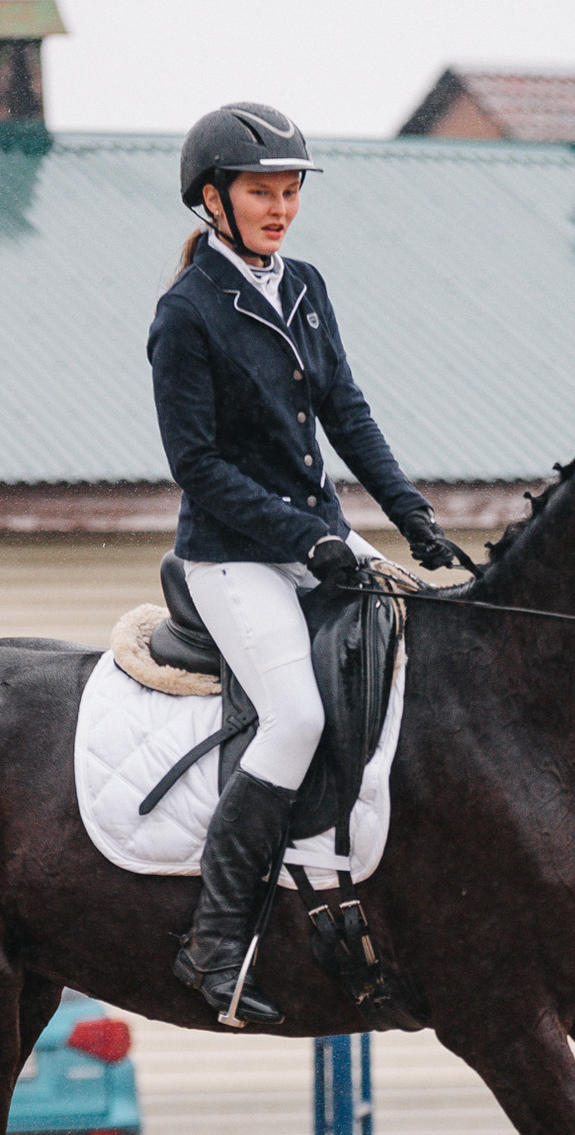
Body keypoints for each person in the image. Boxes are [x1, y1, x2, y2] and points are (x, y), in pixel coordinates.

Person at [148, 102, 462, 1027]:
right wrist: (305, 538)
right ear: (213, 199)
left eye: (289, 192)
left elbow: (347, 411)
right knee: (294, 716)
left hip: (316, 533)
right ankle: (213, 942)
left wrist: (411, 518)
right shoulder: (187, 313)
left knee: (422, 649)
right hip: (234, 555)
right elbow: (196, 466)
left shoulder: (305, 284)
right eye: (261, 192)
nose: (280, 207)